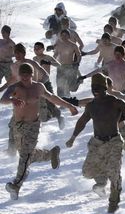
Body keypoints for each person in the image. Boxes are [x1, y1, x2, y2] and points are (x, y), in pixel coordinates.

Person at [2, 63, 78, 200]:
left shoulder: (38, 87)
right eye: (22, 74)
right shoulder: (15, 87)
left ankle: (16, 185)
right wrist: (12, 100)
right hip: (17, 126)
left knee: (25, 155)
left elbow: (52, 98)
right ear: (19, 75)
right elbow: (3, 99)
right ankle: (50, 154)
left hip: (33, 126)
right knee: (27, 155)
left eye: (27, 74)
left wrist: (69, 106)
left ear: (32, 75)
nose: (25, 77)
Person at [65, 74, 125, 212]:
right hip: (97, 142)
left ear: (105, 88)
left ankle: (113, 203)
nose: (95, 90)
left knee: (114, 173)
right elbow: (82, 122)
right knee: (87, 172)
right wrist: (73, 137)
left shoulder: (115, 101)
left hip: (114, 141)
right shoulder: (91, 106)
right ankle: (102, 182)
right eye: (93, 88)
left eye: (98, 87)